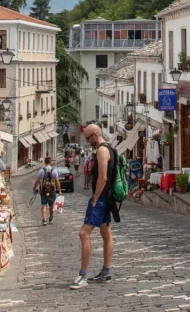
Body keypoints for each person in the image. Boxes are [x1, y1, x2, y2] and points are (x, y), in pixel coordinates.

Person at [71, 124, 115, 289]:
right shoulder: (110, 148)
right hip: (108, 197)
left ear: (96, 135)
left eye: (89, 138)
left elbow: (102, 178)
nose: (88, 141)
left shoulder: (102, 151)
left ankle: (83, 276)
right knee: (105, 231)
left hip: (102, 198)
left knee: (84, 233)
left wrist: (95, 198)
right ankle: (106, 272)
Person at [33, 156, 63, 225]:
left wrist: (34, 188)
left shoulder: (41, 170)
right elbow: (57, 181)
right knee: (51, 205)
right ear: (50, 162)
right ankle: (51, 217)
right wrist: (59, 190)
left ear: (45, 162)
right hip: (52, 190)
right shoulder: (54, 171)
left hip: (43, 190)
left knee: (43, 205)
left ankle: (44, 220)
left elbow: (37, 180)